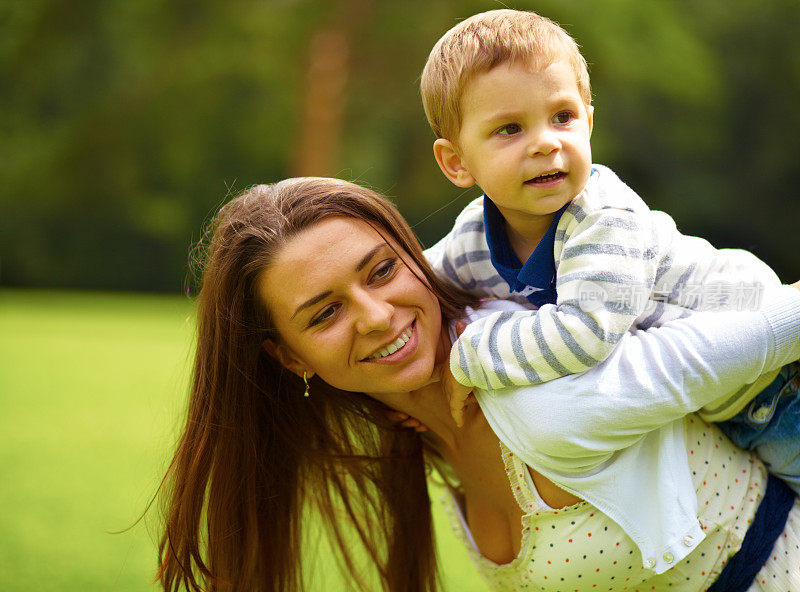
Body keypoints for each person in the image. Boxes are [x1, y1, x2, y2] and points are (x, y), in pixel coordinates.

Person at [157, 177, 800, 591]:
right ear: (289, 358)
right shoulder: (420, 428)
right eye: (325, 313)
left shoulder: (538, 391)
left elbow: (762, 331)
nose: (377, 316)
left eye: (381, 270)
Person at [419, 8, 800, 491]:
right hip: (723, 403)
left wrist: (468, 356)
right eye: (510, 129)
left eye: (563, 117)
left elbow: (583, 335)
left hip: (776, 380)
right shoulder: (474, 235)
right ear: (456, 162)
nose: (546, 143)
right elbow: (421, 285)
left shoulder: (603, 218)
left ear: (589, 123)